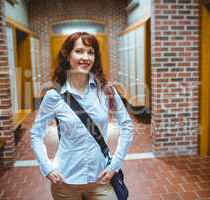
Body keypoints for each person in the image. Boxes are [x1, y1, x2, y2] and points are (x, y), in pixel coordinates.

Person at [31, 32, 134, 200]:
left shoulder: (106, 91)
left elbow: (127, 126)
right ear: (67, 55)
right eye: (79, 51)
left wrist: (115, 165)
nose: (86, 57)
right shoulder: (54, 95)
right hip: (65, 182)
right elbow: (36, 134)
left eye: (90, 52)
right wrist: (47, 167)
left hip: (101, 178)